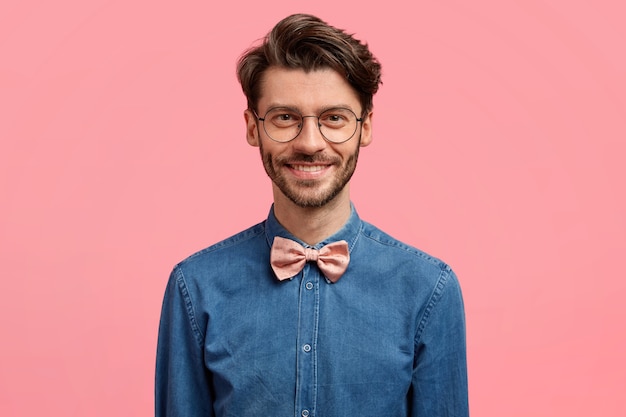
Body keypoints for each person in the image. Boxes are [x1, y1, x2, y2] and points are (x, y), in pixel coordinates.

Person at [155, 13, 468, 417]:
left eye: (333, 118)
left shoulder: (430, 290)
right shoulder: (194, 288)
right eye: (285, 117)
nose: (309, 142)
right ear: (253, 127)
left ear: (365, 127)